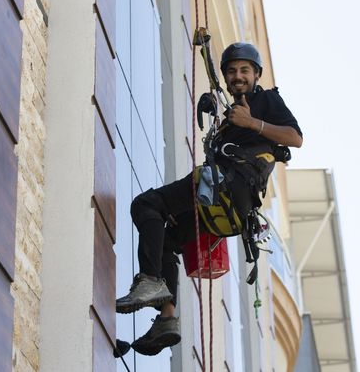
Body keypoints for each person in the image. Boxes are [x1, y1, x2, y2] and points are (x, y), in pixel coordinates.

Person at [116, 42, 303, 356]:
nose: (237, 76)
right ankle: (167, 318)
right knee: (166, 237)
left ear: (256, 74)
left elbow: (295, 138)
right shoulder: (230, 117)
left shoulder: (266, 100)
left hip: (227, 186)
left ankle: (150, 280)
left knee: (147, 204)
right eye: (232, 71)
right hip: (226, 203)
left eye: (244, 70)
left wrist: (253, 123)